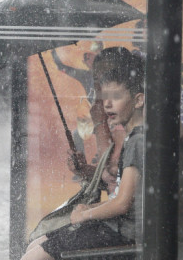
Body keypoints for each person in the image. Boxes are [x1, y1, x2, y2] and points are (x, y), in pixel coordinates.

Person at [22, 54, 145, 260]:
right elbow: (121, 192)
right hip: (116, 226)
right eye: (104, 97)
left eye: (115, 97)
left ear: (138, 100)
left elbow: (123, 202)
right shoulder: (135, 138)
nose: (106, 104)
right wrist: (90, 204)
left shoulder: (137, 141)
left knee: (36, 256)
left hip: (120, 233)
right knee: (37, 244)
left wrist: (86, 214)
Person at [66, 47, 134, 195]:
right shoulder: (113, 118)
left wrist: (99, 122)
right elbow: (110, 178)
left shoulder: (131, 125)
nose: (100, 90)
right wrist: (84, 169)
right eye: (97, 81)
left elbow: (113, 174)